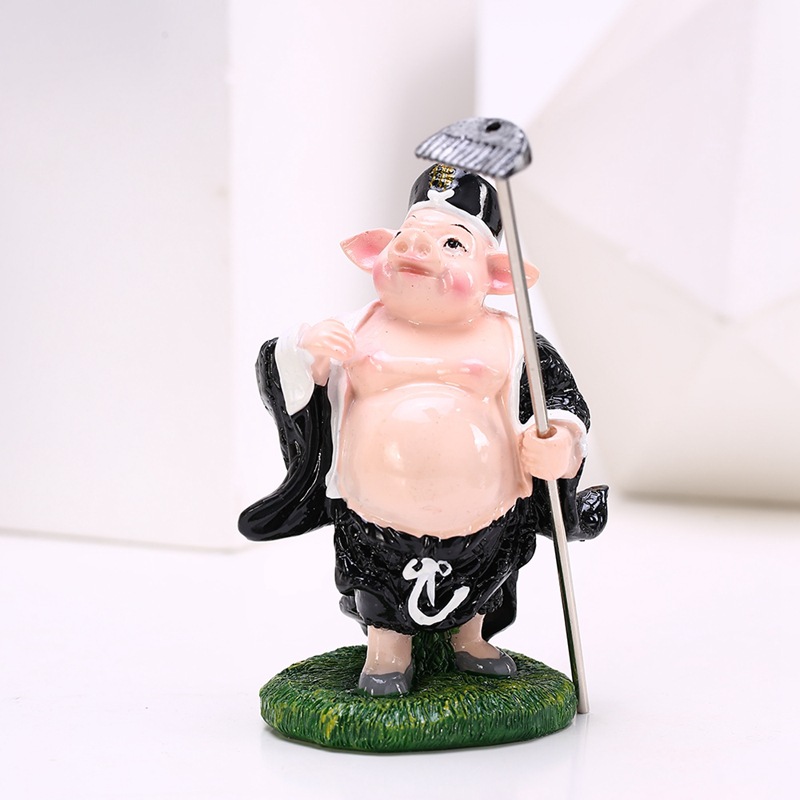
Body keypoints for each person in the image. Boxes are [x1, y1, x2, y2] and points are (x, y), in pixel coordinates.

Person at [240, 164, 607, 696]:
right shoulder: (356, 328)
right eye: (407, 237)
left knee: (484, 574)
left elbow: (563, 402)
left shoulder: (515, 341)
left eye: (453, 244)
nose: (418, 249)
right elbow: (289, 373)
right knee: (378, 580)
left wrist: (562, 441)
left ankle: (470, 639)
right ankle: (388, 649)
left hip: (489, 509)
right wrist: (308, 355)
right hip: (374, 511)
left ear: (497, 277)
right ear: (376, 252)